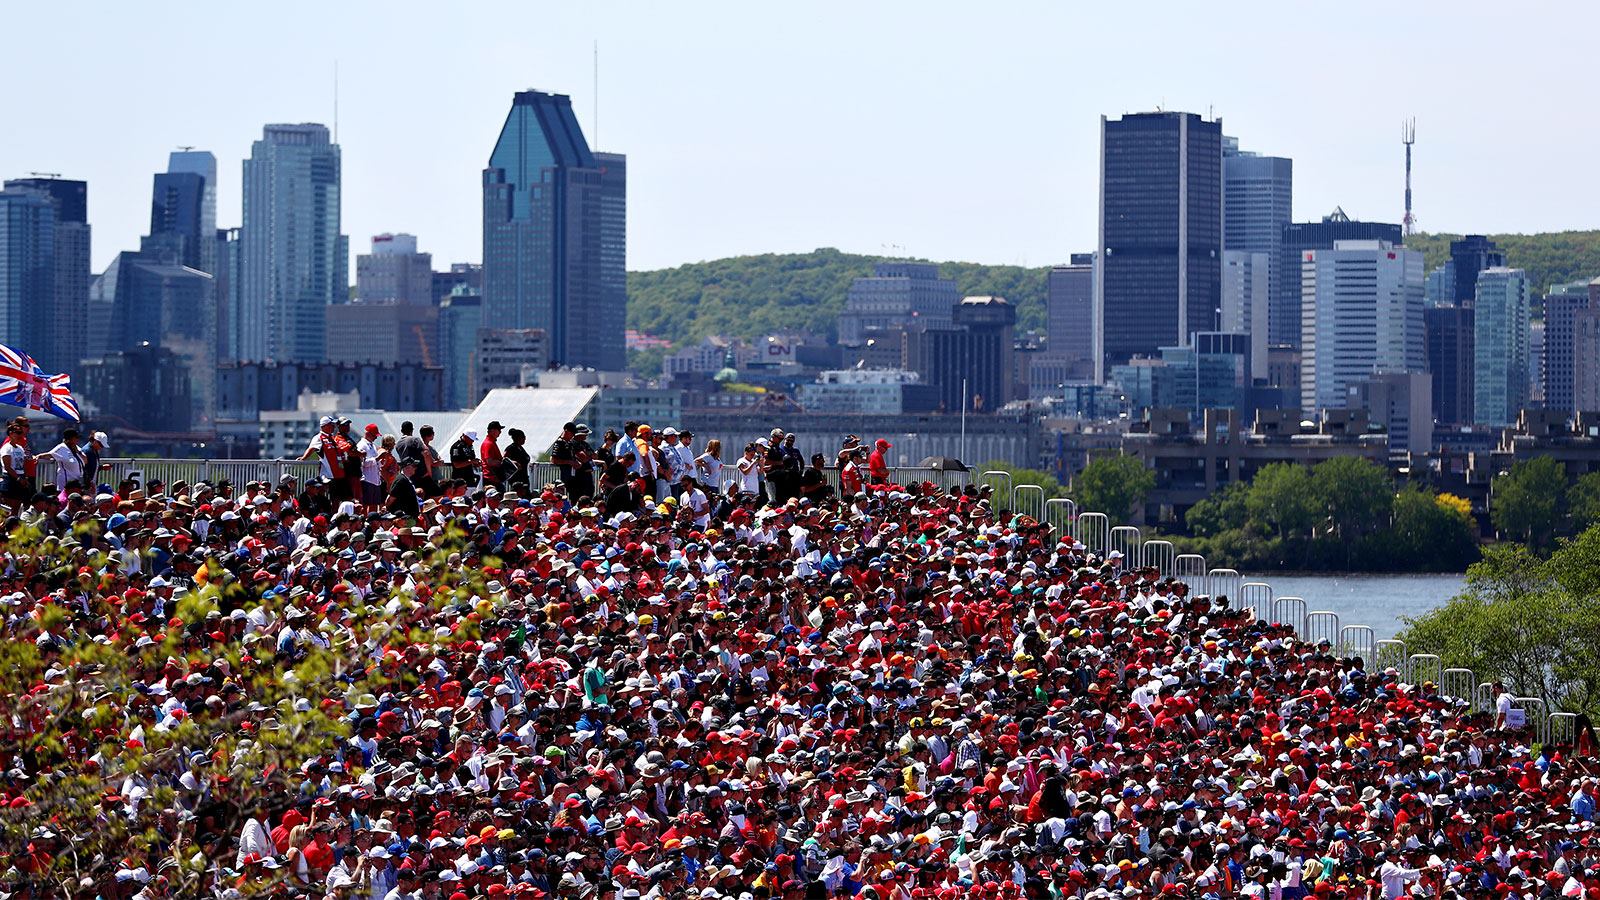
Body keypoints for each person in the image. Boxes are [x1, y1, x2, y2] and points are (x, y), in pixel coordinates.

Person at [43, 427, 87, 496]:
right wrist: (38, 456)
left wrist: (78, 452)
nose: (78, 440)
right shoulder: (61, 448)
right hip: (66, 483)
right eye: (76, 438)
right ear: (70, 439)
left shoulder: (77, 448)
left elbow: (85, 460)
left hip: (77, 483)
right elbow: (50, 454)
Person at [0, 422, 34, 503]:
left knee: (18, 505)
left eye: (21, 433)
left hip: (20, 477)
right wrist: (19, 479)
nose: (20, 435)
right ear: (11, 434)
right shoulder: (7, 448)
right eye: (18, 433)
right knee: (11, 505)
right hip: (11, 478)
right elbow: (7, 467)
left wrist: (24, 478)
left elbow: (23, 464)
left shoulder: (20, 448)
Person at [356, 424, 384, 509]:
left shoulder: (372, 446)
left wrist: (381, 461)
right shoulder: (362, 445)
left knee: (375, 506)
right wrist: (378, 458)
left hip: (375, 480)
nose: (376, 437)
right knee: (366, 506)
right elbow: (363, 463)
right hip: (367, 480)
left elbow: (376, 462)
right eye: (374, 435)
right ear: (368, 434)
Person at [503, 428, 531, 494]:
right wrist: (514, 463)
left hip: (524, 476)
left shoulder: (520, 448)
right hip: (516, 478)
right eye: (523, 437)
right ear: (517, 438)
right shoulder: (510, 448)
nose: (525, 439)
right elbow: (504, 459)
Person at [480, 421, 505, 489]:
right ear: (492, 430)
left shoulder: (491, 442)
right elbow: (490, 462)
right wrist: (504, 463)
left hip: (494, 478)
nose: (500, 432)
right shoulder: (488, 443)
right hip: (491, 478)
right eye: (499, 430)